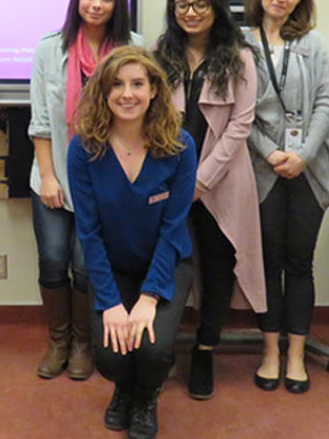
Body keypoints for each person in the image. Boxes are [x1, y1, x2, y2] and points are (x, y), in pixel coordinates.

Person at [68, 46, 198, 439]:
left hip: (168, 262)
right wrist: (109, 301)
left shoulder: (180, 145)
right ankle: (123, 387)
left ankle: (146, 395)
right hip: (112, 265)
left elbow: (174, 227)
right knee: (109, 355)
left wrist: (149, 297)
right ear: (103, 93)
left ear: (154, 90)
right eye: (117, 85)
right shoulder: (84, 148)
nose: (128, 94)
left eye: (138, 84)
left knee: (153, 349)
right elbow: (88, 232)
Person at [29, 0, 142, 385]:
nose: (97, 4)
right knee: (54, 259)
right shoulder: (50, 49)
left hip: (109, 183)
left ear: (118, 5)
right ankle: (58, 342)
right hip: (56, 174)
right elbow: (41, 119)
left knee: (86, 265)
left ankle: (83, 344)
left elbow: (139, 116)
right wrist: (48, 177)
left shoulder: (133, 47)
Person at [155, 0, 265, 400]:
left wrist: (199, 181)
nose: (191, 13)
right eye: (182, 5)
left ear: (216, 8)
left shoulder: (239, 56)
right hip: (166, 178)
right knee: (168, 264)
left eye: (200, 4)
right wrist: (177, 181)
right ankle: (160, 348)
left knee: (218, 267)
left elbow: (241, 124)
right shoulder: (160, 52)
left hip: (220, 181)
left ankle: (204, 349)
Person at [240, 0, 329, 394]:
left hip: (308, 169)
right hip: (261, 169)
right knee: (267, 263)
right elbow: (239, 114)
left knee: (300, 262)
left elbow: (324, 104)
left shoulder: (313, 43)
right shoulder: (241, 44)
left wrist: (301, 154)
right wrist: (272, 152)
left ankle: (296, 355)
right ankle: (270, 352)